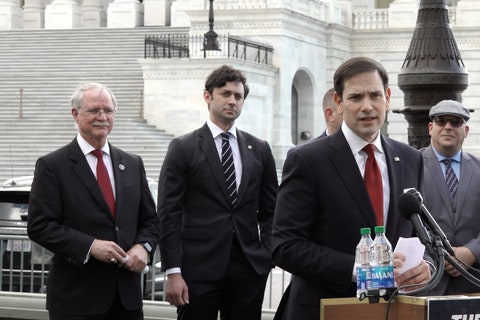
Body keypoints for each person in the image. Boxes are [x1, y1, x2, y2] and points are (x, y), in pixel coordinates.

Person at [271, 56, 433, 320]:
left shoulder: (410, 159)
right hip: (325, 309)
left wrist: (425, 266)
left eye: (375, 95)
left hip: (392, 310)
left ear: (388, 98)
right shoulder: (308, 160)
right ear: (339, 102)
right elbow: (285, 246)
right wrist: (360, 269)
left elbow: (422, 233)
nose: (367, 106)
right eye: (356, 97)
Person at [27, 82, 159, 320]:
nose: (102, 117)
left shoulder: (132, 163)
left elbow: (150, 220)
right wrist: (90, 246)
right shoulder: (52, 166)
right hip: (76, 300)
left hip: (126, 300)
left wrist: (144, 247)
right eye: (94, 110)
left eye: (108, 111)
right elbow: (40, 225)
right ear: (75, 114)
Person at [157, 65, 278, 320]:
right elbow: (168, 213)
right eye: (225, 94)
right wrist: (173, 271)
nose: (232, 101)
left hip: (248, 268)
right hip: (197, 270)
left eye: (238, 96)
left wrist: (266, 254)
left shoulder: (259, 149)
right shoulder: (183, 147)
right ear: (207, 96)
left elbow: (271, 210)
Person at [419, 99, 480, 295]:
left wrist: (471, 252)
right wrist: (436, 258)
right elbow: (404, 222)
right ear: (430, 127)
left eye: (456, 122)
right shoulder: (412, 166)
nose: (448, 127)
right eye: (441, 121)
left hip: (477, 280)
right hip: (427, 280)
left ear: (466, 131)